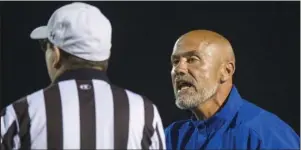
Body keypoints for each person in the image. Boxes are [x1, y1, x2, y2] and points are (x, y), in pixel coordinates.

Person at [0, 2, 165, 150]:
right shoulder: (144, 112)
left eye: (46, 46)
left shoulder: (20, 113)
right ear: (105, 54)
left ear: (56, 54)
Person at [165, 29, 300, 149]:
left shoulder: (265, 135)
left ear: (226, 71)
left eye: (192, 59)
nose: (178, 69)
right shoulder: (171, 137)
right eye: (175, 61)